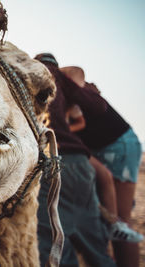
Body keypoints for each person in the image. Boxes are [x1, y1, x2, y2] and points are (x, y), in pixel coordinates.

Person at [34, 53, 116, 267]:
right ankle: (116, 225)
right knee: (94, 244)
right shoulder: (62, 81)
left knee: (52, 245)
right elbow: (99, 107)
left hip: (48, 162)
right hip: (78, 163)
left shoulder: (28, 77)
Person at [62, 66, 143, 267]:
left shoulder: (67, 87)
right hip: (98, 149)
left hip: (117, 144)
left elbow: (77, 73)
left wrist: (59, 130)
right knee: (103, 219)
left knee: (119, 222)